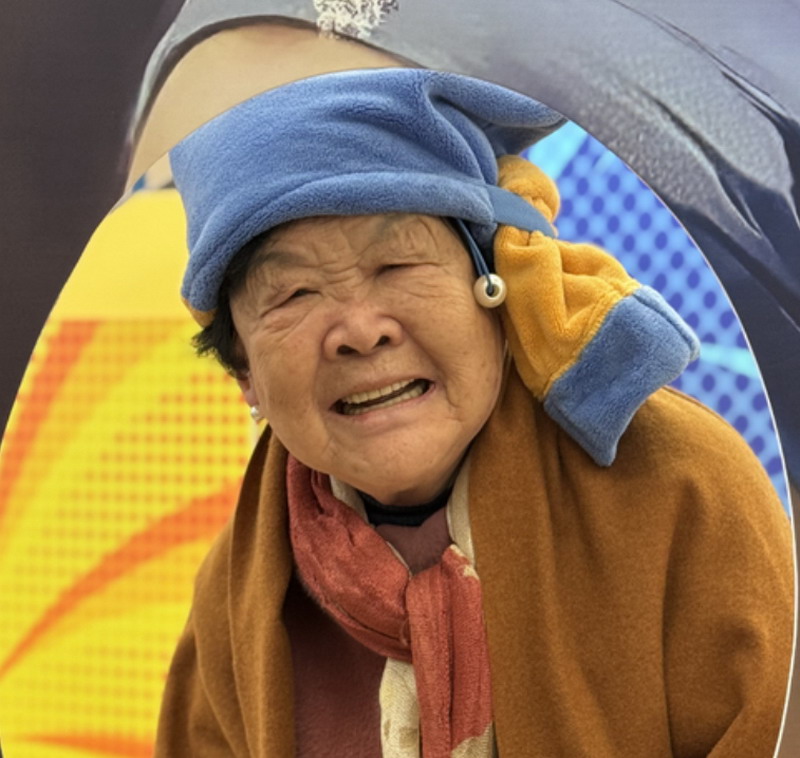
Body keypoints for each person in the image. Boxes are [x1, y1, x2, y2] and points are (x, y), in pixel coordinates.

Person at [154, 68, 793, 758]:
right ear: (244, 371)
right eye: (293, 294)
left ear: (493, 284)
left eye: (398, 265)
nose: (360, 332)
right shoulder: (239, 590)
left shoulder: (685, 491)